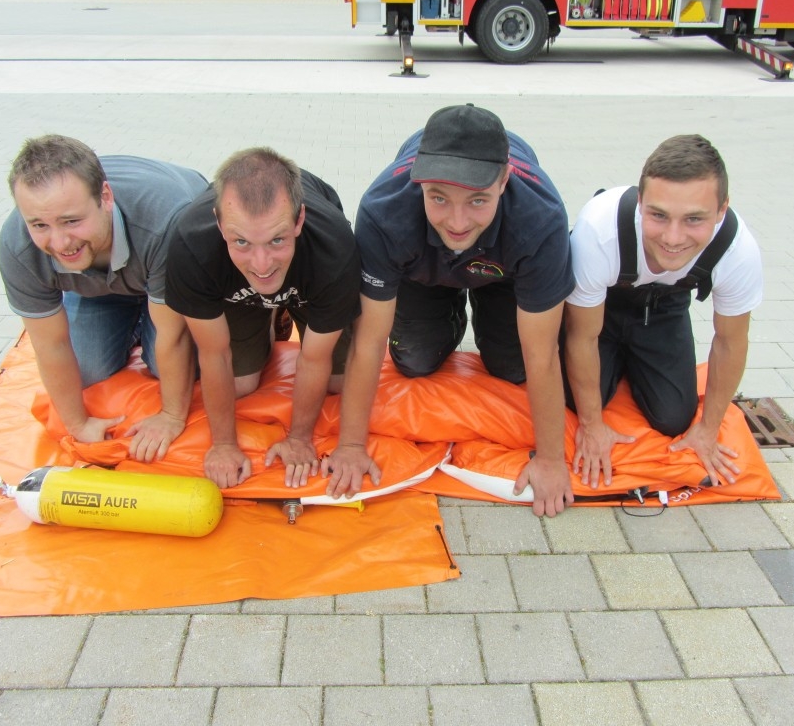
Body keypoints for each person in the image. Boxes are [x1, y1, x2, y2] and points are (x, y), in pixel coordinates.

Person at [323, 104, 575, 517]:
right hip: (423, 270)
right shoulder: (384, 212)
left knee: (515, 368)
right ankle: (449, 308)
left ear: (504, 181)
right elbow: (369, 342)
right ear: (417, 182)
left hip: (504, 273)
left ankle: (484, 300)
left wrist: (550, 459)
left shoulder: (540, 220)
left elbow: (543, 353)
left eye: (477, 200)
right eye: (438, 198)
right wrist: (350, 445)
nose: (457, 220)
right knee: (414, 360)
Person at [564, 134, 763, 490]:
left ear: (722, 210)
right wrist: (592, 426)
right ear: (640, 202)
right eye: (658, 215)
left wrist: (708, 429)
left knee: (674, 419)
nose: (673, 238)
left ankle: (634, 363)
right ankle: (620, 364)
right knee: (571, 401)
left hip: (663, 311)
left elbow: (731, 342)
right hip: (603, 310)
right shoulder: (598, 229)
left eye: (693, 220)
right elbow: (583, 335)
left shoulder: (737, 250)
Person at [0, 135, 210, 462]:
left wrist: (171, 416)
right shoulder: (18, 245)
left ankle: (259, 315)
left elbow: (175, 337)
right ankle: (134, 316)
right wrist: (78, 424)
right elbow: (49, 345)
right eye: (40, 224)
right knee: (85, 369)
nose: (59, 242)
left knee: (166, 360)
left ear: (105, 197)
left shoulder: (167, 222)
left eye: (71, 221)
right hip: (107, 278)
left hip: (170, 254)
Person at [165, 148, 360, 490]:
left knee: (338, 382)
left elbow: (314, 357)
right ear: (219, 222)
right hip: (238, 292)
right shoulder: (190, 243)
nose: (261, 262)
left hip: (309, 283)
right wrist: (223, 444)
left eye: (277, 240)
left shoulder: (335, 247)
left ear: (299, 221)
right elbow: (214, 354)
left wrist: (299, 438)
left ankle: (283, 305)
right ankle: (268, 318)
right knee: (241, 384)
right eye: (241, 241)